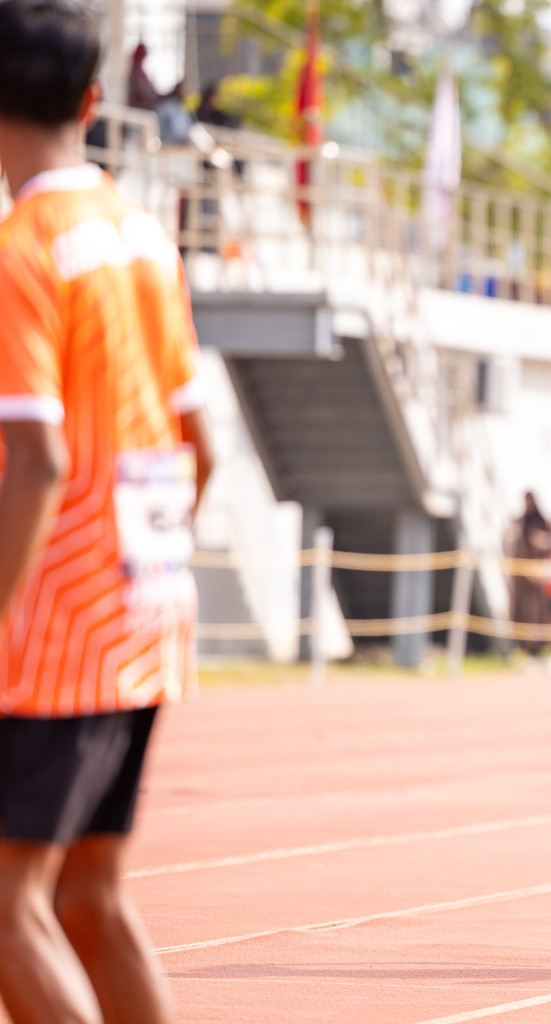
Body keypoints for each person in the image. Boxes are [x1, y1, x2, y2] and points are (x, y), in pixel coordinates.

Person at [0, 2, 216, 1020]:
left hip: (52, 633)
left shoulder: (22, 251)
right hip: (145, 606)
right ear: (93, 100)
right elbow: (199, 443)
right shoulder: (143, 238)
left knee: (8, 908)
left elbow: (37, 459)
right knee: (88, 896)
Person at [506, 492, 551, 658]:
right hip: (522, 575)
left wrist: (540, 541)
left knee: (537, 611)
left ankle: (538, 646)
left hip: (536, 573)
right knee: (523, 610)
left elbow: (550, 541)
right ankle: (523, 645)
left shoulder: (540, 520)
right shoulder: (521, 521)